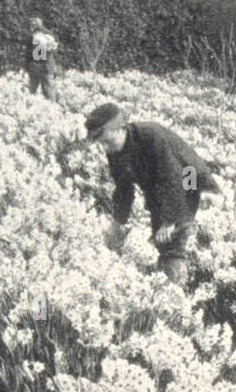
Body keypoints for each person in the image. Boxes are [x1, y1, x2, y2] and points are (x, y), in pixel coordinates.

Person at [84, 103, 220, 285]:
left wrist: (171, 221)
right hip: (160, 188)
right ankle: (169, 277)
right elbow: (124, 190)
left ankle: (178, 289)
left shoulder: (151, 136)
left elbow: (173, 178)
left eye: (107, 142)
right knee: (161, 237)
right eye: (102, 144)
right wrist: (117, 222)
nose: (105, 148)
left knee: (173, 239)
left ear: (121, 129)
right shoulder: (114, 152)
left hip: (190, 177)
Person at [26, 17, 60, 99]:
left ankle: (52, 107)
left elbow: (38, 54)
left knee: (37, 92)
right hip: (46, 67)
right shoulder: (49, 35)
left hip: (41, 67)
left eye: (32, 25)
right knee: (49, 91)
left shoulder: (38, 36)